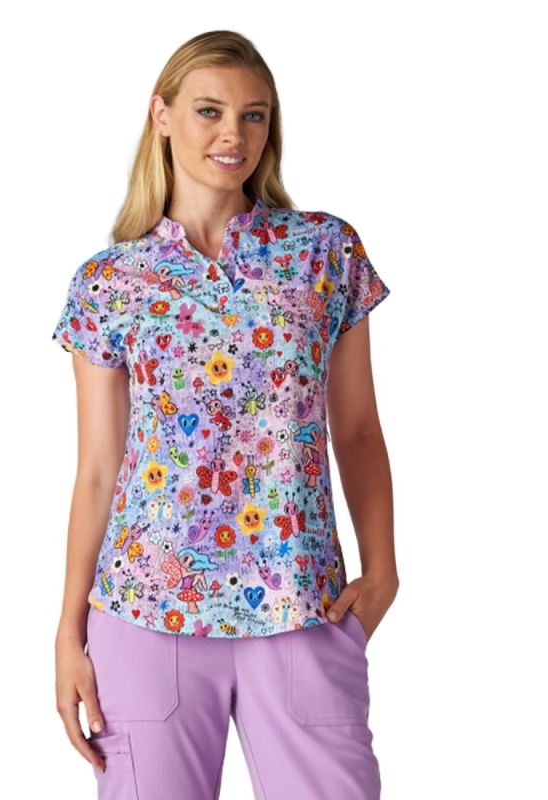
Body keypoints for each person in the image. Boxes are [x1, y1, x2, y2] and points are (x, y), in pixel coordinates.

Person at [52, 29, 398, 800]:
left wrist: (382, 572)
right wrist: (68, 632)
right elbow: (99, 469)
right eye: (209, 110)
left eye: (254, 115)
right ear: (162, 116)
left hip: (302, 604)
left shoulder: (324, 253)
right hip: (145, 614)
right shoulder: (110, 283)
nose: (232, 134)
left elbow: (358, 429)